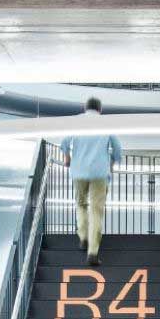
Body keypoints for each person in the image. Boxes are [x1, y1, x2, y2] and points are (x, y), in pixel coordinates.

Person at [62, 97, 122, 265]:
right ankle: (93, 252)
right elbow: (117, 148)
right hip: (99, 173)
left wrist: (67, 158)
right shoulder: (106, 123)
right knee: (96, 210)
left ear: (84, 108)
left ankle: (83, 236)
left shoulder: (76, 122)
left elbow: (65, 142)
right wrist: (112, 163)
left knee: (81, 204)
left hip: (78, 171)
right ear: (100, 109)